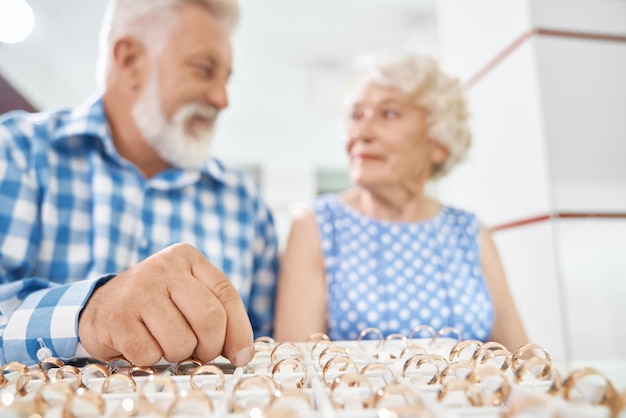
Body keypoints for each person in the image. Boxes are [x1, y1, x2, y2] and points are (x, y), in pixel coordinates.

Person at [0, 0, 279, 367]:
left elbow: (264, 355)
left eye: (225, 79)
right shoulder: (16, 154)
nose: (222, 99)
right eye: (203, 69)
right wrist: (90, 314)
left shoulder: (247, 205)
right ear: (130, 60)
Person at [274, 53, 527, 351]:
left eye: (389, 114)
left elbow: (521, 358)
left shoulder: (469, 232)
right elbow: (295, 371)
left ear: (438, 143)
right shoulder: (317, 224)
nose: (361, 133)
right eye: (357, 116)